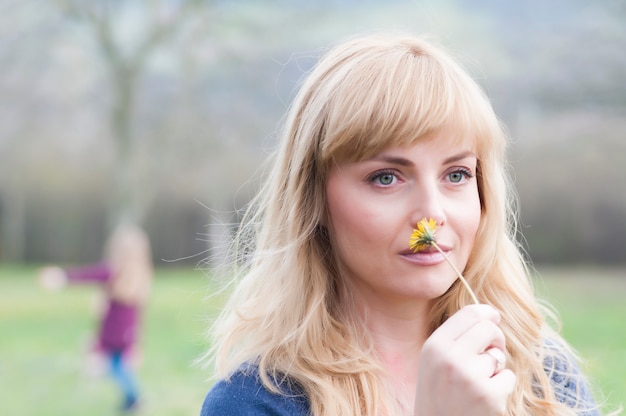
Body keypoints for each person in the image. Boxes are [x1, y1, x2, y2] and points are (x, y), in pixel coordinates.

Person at [200, 33, 607, 415]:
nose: (432, 213)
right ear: (314, 198)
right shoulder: (256, 402)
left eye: (457, 175)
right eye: (387, 177)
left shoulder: (546, 377)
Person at [40, 222, 152, 413]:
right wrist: (136, 341)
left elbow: (87, 276)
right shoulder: (142, 276)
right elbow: (139, 314)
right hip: (126, 334)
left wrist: (62, 278)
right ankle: (131, 398)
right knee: (118, 367)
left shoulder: (114, 272)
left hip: (112, 333)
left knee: (113, 366)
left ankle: (134, 397)